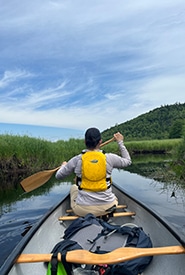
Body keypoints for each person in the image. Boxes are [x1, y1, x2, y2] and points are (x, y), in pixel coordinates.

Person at [55, 127, 131, 217]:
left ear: (85, 142)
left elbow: (59, 176)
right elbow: (127, 161)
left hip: (83, 210)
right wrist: (120, 142)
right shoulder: (109, 158)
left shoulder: (77, 159)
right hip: (108, 207)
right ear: (100, 141)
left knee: (74, 187)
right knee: (112, 194)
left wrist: (64, 165)